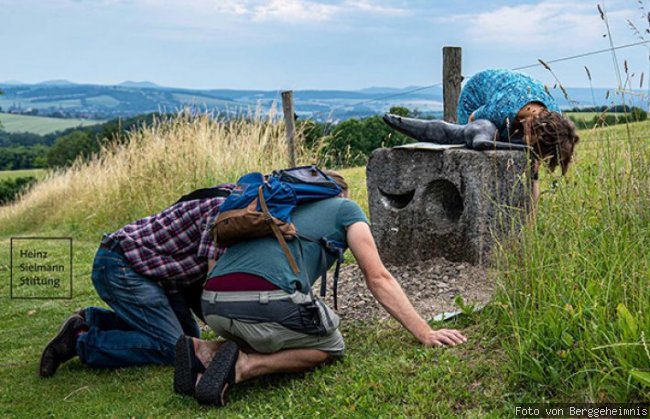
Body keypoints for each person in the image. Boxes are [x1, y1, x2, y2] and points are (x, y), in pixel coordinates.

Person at [173, 171, 467, 406]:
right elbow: (377, 276)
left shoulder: (279, 213)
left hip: (212, 302)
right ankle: (244, 366)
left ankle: (207, 349)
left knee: (279, 330)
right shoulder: (345, 209)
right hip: (259, 302)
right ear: (339, 193)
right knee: (329, 345)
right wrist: (424, 332)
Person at [39, 184, 232, 377]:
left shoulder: (235, 196)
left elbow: (196, 284)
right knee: (177, 349)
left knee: (190, 339)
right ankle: (81, 340)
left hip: (151, 273)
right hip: (122, 265)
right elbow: (212, 281)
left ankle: (92, 320)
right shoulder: (223, 211)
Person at [383, 68, 580, 202]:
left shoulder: (553, 117)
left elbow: (533, 169)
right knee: (485, 136)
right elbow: (472, 119)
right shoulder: (502, 109)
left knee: (527, 161)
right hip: (476, 98)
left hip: (517, 106)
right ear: (532, 129)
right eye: (532, 144)